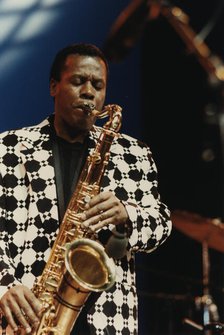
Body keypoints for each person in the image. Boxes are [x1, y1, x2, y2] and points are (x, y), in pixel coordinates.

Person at [0, 42, 172, 335]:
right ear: (54, 86)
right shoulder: (8, 148)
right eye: (79, 81)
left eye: (98, 85)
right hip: (26, 316)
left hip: (106, 318)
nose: (90, 92)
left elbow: (162, 224)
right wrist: (3, 285)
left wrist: (126, 213)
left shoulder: (135, 153)